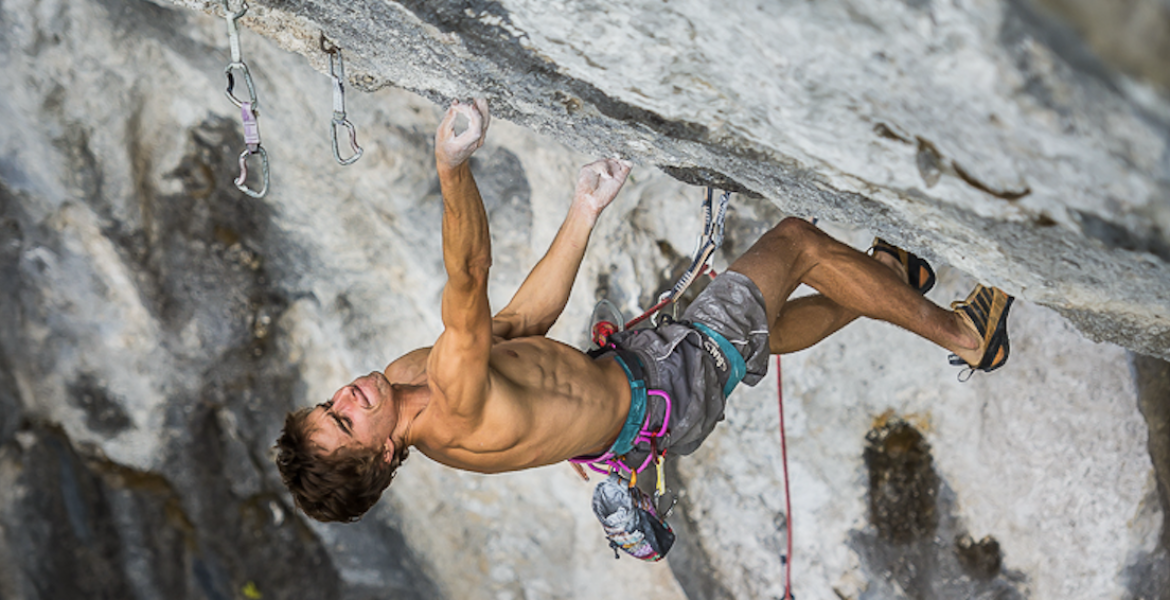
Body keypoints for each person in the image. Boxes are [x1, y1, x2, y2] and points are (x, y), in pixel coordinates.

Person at [275, 99, 1012, 523]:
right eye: (345, 420)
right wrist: (451, 165)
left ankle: (887, 276)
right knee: (795, 247)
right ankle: (967, 335)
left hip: (640, 401)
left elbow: (518, 328)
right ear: (381, 454)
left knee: (760, 329)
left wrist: (583, 211)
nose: (345, 395)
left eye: (326, 402)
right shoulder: (451, 409)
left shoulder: (409, 379)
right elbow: (469, 275)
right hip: (667, 389)